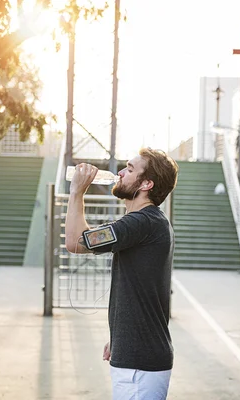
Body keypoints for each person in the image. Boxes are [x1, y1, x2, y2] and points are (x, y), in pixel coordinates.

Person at [65, 148, 179, 400]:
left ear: (147, 183)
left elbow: (74, 242)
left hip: (140, 365)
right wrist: (119, 337)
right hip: (137, 357)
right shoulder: (148, 222)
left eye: (129, 169)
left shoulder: (141, 223)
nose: (120, 172)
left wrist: (76, 192)